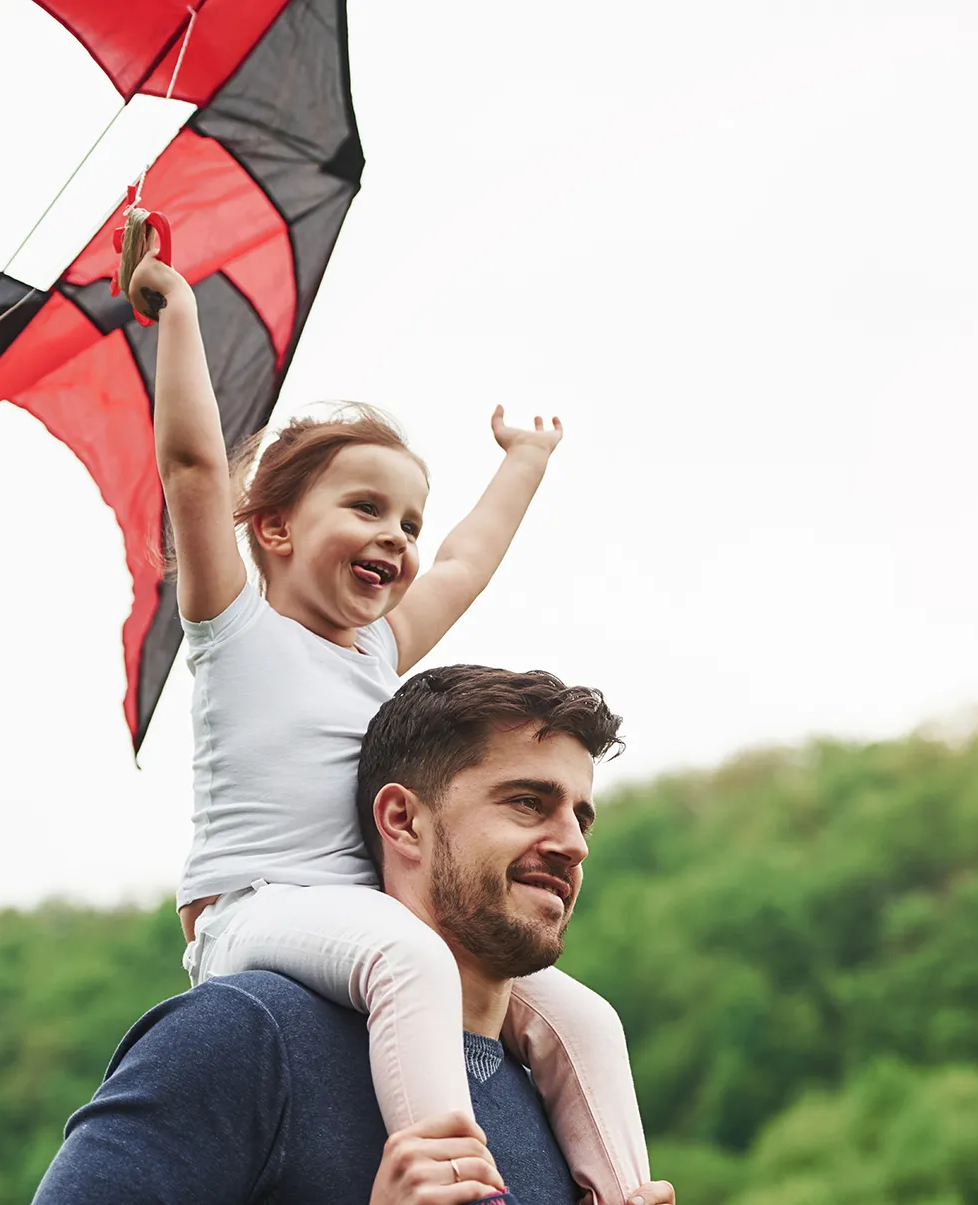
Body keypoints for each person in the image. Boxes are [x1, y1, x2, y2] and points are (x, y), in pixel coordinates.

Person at [114, 233, 646, 1203]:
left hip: (359, 921)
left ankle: (621, 1186)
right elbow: (194, 467)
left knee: (582, 1016)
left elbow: (462, 565)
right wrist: (179, 314)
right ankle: (447, 1177)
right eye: (364, 508)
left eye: (406, 520)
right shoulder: (236, 631)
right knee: (411, 957)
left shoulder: (378, 652)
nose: (394, 539)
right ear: (273, 526)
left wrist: (525, 461)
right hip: (257, 909)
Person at [34, 666, 676, 1205]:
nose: (572, 844)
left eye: (581, 817)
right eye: (527, 802)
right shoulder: (246, 1036)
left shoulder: (559, 1103)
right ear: (402, 821)